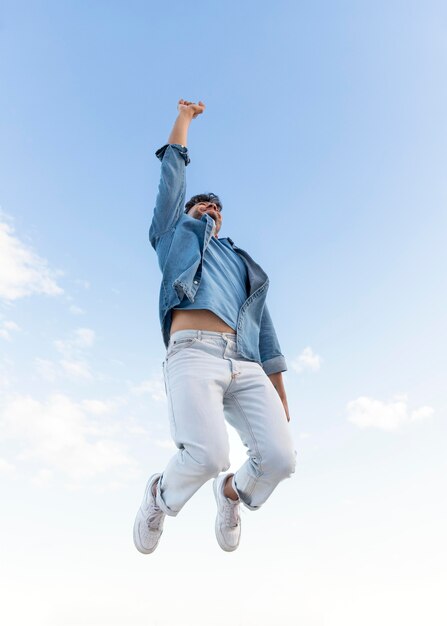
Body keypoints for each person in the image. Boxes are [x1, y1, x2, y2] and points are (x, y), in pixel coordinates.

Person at [133, 99, 296, 554]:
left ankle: (230, 494)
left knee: (281, 459)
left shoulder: (244, 263)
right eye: (201, 203)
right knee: (206, 454)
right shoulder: (173, 236)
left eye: (217, 207)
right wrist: (184, 119)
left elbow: (265, 332)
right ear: (187, 212)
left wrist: (280, 389)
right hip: (192, 352)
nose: (210, 207)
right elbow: (172, 180)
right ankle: (159, 496)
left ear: (223, 220)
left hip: (245, 363)